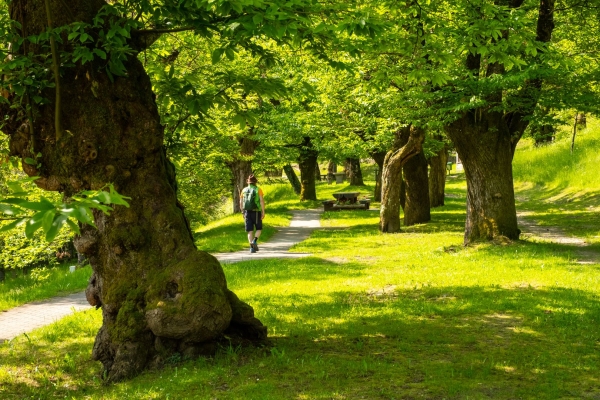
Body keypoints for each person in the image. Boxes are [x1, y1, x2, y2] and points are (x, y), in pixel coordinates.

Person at [240, 174, 265, 253]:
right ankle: (254, 240)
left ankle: (251, 248)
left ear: (248, 181)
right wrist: (263, 212)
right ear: (255, 182)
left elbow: (240, 202)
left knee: (250, 231)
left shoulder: (244, 190)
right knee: (259, 228)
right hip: (256, 211)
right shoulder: (258, 189)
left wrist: (242, 212)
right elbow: (261, 201)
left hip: (247, 212)